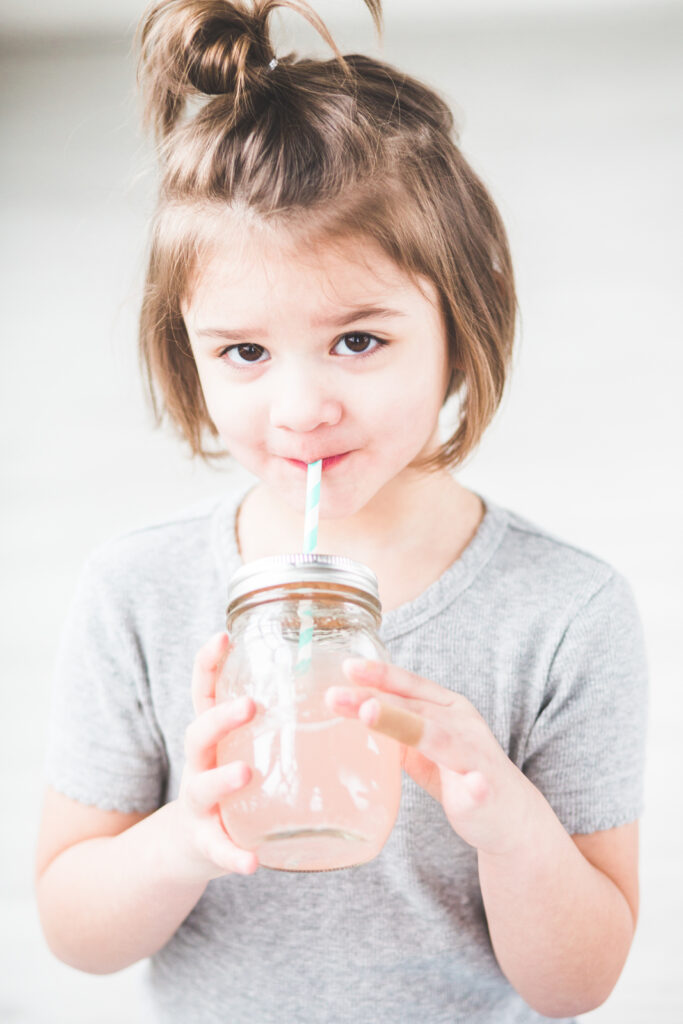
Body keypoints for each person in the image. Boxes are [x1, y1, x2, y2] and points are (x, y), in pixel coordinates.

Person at [34, 1, 648, 1021]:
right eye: (243, 351)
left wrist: (505, 820)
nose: (301, 408)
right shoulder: (138, 592)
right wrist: (184, 833)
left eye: (358, 340)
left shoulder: (565, 614)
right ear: (184, 351)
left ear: (462, 316)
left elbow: (576, 984)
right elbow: (74, 926)